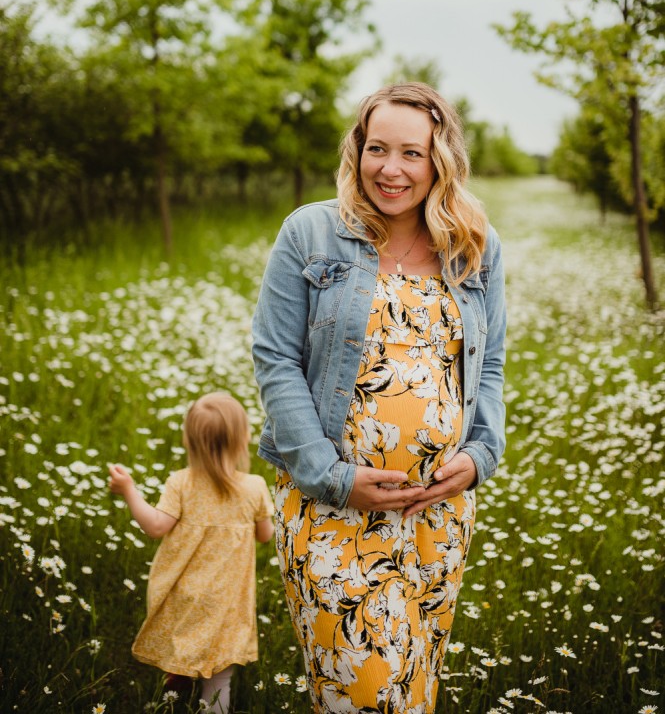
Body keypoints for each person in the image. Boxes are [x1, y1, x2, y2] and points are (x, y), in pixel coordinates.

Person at [252, 82, 506, 713]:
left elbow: (490, 363)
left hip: (436, 517)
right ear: (357, 151)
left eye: (411, 154)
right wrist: (332, 477)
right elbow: (276, 359)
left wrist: (479, 456)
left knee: (416, 690)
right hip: (330, 510)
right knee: (359, 696)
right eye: (376, 149)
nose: (390, 170)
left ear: (440, 159)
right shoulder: (312, 232)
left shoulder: (475, 244)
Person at [108, 392, 274, 714]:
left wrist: (130, 491)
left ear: (189, 441)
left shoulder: (180, 483)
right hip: (228, 601)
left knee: (181, 648)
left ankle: (174, 694)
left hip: (185, 594)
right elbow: (265, 535)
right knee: (219, 676)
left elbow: (156, 526)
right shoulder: (254, 487)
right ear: (242, 440)